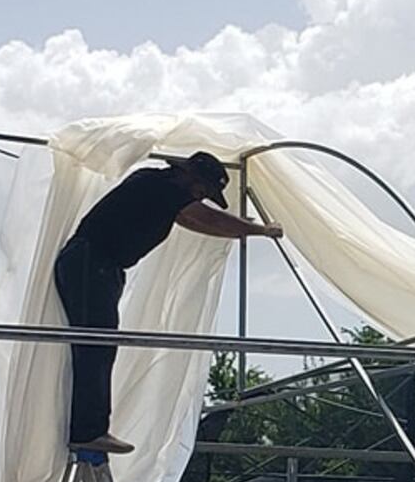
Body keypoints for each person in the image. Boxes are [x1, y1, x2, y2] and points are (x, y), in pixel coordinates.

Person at [52, 150, 283, 454]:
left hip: (98, 265)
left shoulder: (160, 190)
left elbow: (195, 221)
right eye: (202, 190)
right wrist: (259, 230)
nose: (201, 196)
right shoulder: (160, 186)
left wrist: (240, 229)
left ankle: (90, 428)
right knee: (96, 343)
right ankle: (88, 430)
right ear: (188, 175)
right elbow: (205, 217)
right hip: (92, 263)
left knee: (98, 344)